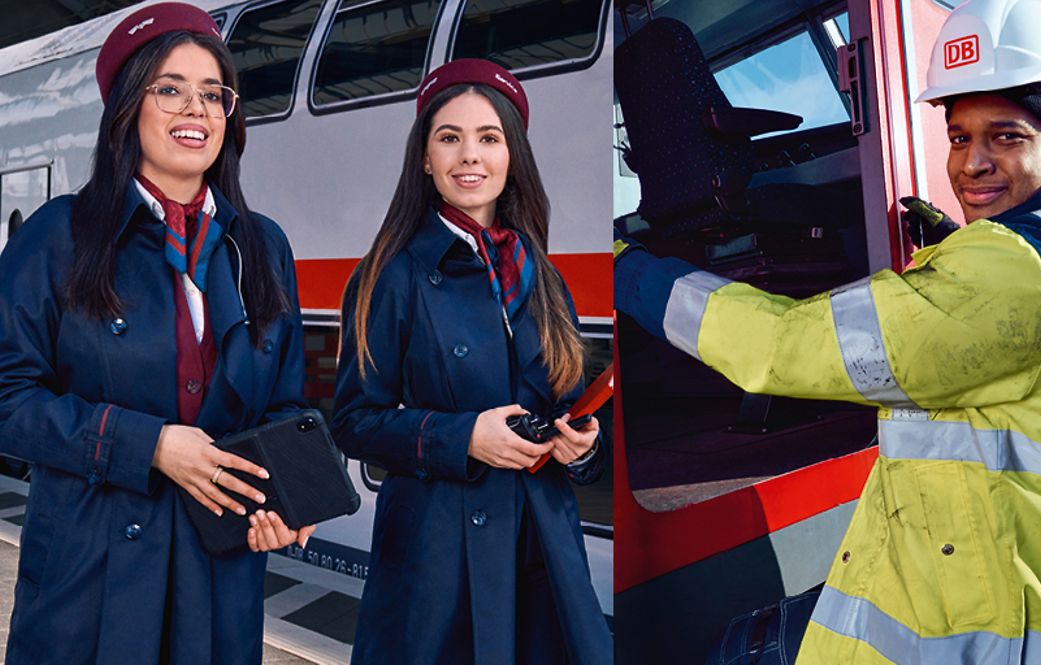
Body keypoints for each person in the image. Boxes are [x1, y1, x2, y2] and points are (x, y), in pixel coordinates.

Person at [614, 0, 1041, 663]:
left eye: (1006, 136)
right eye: (959, 138)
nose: (971, 164)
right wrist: (958, 251)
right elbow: (1028, 324)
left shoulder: (1013, 272)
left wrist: (630, 272)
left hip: (1002, 634)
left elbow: (776, 348)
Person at [0, 4, 314, 663]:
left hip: (218, 574)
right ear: (124, 110)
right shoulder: (56, 238)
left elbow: (285, 400)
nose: (194, 109)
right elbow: (9, 399)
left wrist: (292, 492)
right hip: (89, 579)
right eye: (168, 88)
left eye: (212, 93)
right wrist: (146, 445)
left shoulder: (260, 246)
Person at [331, 59, 612, 664]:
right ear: (426, 161)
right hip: (440, 553)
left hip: (544, 543)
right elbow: (353, 421)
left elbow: (566, 400)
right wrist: (464, 437)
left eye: (489, 138)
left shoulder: (543, 274)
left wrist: (583, 445)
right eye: (449, 138)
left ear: (512, 158)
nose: (470, 156)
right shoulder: (389, 274)